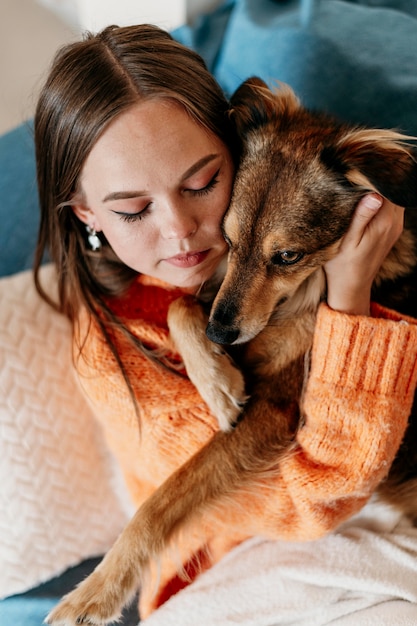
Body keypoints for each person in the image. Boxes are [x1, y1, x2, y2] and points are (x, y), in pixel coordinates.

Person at [33, 24, 417, 621]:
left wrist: (348, 289)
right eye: (134, 208)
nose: (182, 229)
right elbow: (304, 499)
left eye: (204, 183)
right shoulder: (111, 349)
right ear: (87, 213)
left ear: (231, 151)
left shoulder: (281, 215)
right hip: (230, 563)